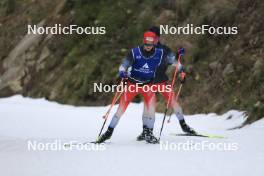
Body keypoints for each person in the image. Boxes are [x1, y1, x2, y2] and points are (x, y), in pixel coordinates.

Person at [97, 31, 164, 144]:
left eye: (151, 44)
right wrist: (122, 72)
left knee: (151, 109)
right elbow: (123, 65)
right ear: (143, 42)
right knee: (120, 110)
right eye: (146, 44)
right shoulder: (134, 52)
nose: (148, 47)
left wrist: (178, 57)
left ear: (155, 43)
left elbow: (172, 60)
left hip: (148, 86)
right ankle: (108, 132)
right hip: (132, 85)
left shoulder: (159, 53)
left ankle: (148, 133)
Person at [137, 26, 196, 141]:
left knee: (174, 103)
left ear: (157, 38)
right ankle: (146, 131)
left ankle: (184, 126)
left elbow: (176, 63)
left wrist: (182, 72)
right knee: (148, 107)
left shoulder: (165, 50)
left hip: (162, 82)